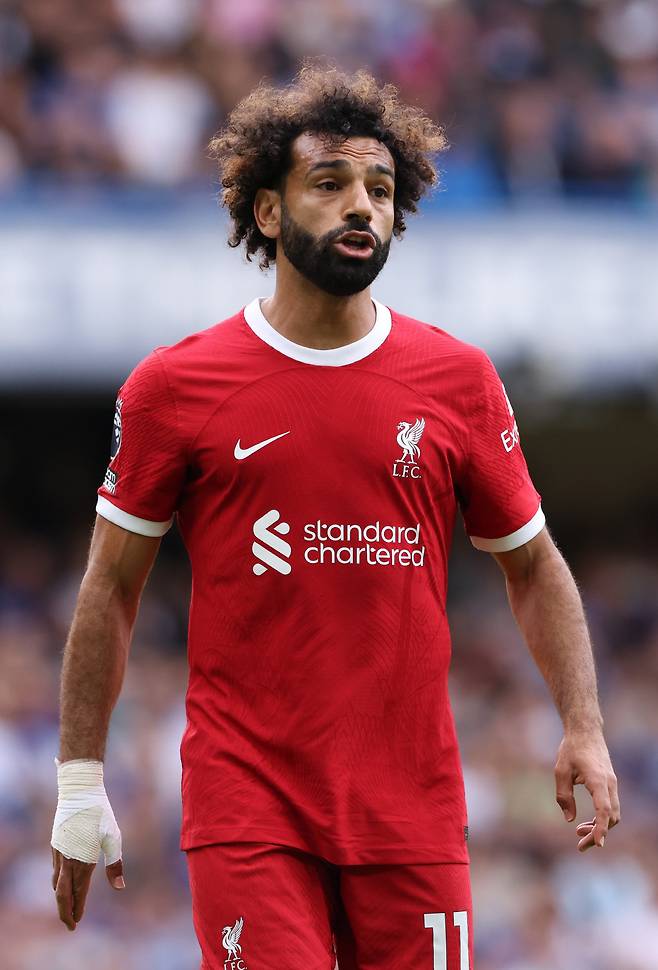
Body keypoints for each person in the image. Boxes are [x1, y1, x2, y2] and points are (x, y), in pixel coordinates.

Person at [51, 63, 620, 969]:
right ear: (268, 211)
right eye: (331, 184)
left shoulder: (458, 382)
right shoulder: (176, 387)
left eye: (380, 189)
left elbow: (535, 566)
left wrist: (583, 725)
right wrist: (81, 782)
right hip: (251, 811)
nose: (363, 206)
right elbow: (111, 586)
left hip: (416, 815)